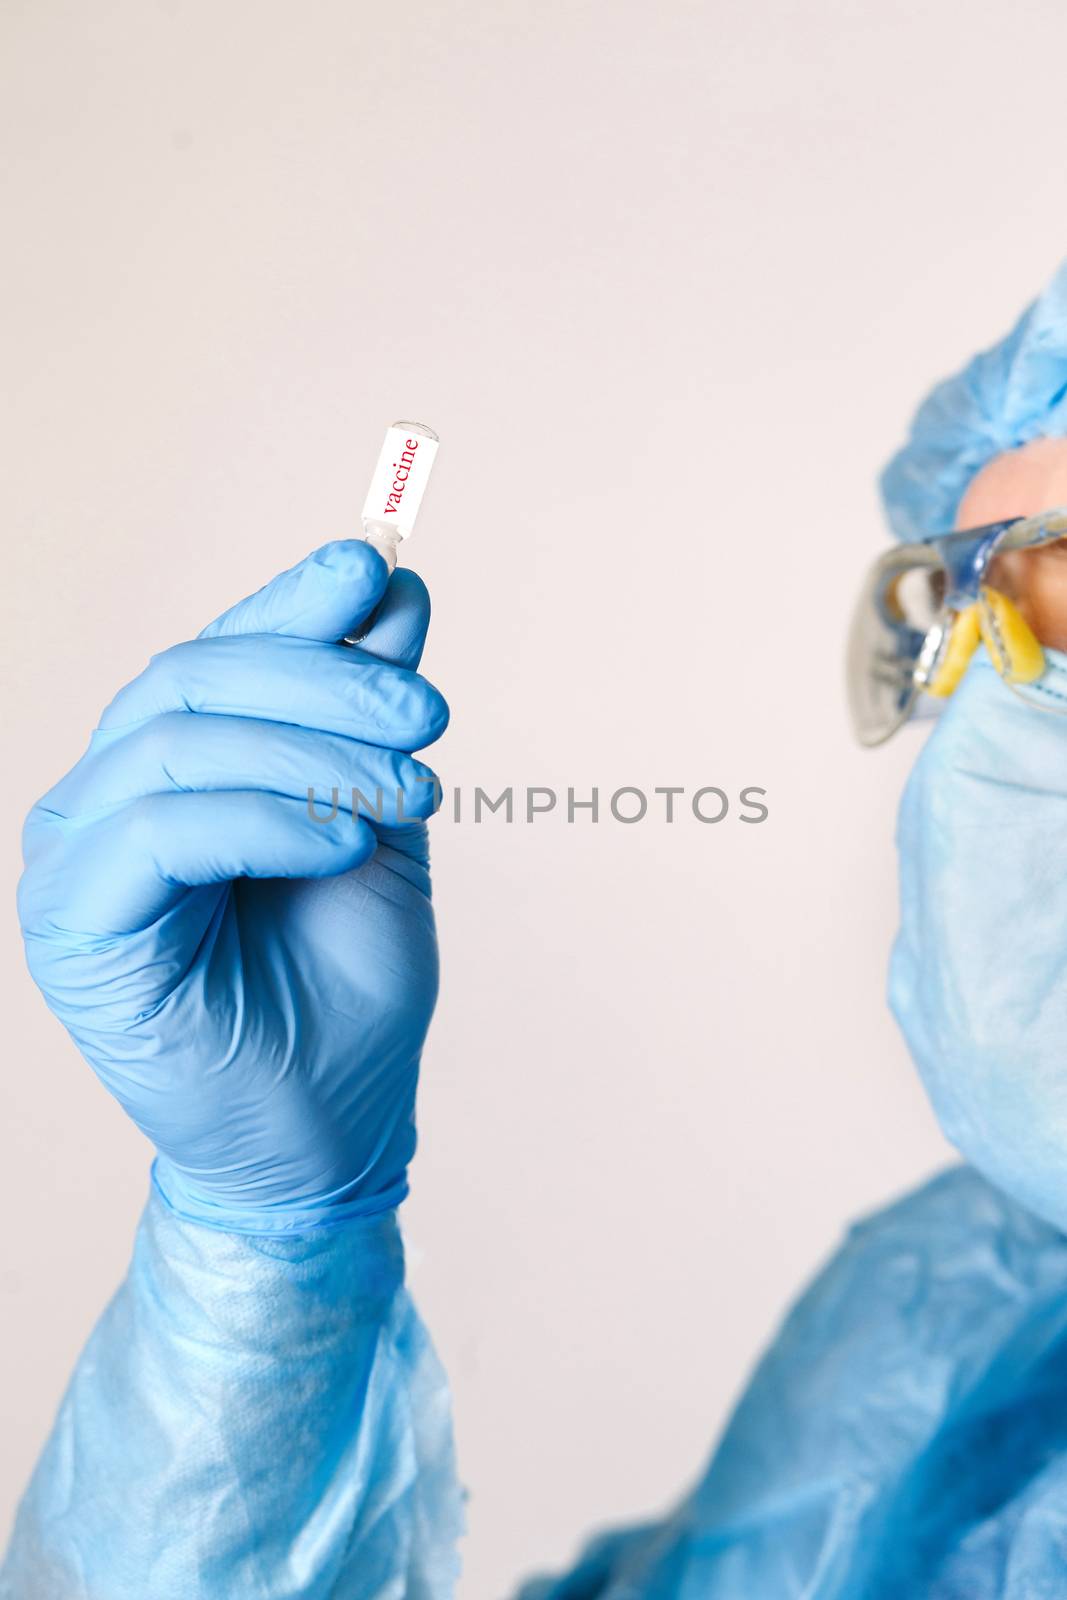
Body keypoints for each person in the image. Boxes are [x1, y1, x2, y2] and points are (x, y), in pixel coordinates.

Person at [8, 264, 1067, 1600]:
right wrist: (262, 1264)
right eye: (962, 620)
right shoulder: (948, 1364)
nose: (1002, 726)